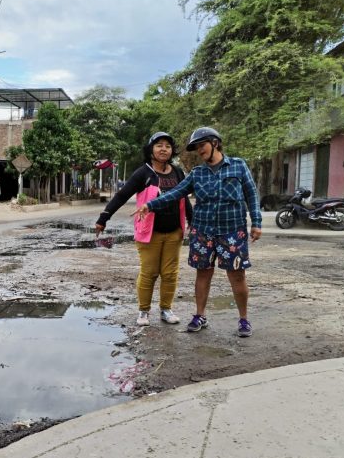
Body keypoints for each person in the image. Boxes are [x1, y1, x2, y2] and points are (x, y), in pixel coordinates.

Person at [136, 127, 262, 337]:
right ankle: (200, 315)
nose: (199, 151)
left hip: (232, 232)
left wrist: (256, 223)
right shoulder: (197, 173)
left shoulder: (239, 166)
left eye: (202, 145)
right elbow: (176, 193)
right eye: (196, 148)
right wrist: (150, 205)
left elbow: (252, 195)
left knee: (237, 277)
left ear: (215, 143)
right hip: (202, 232)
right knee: (202, 274)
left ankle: (243, 320)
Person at [95, 132, 193, 327]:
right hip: (149, 232)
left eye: (167, 146)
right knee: (149, 272)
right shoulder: (143, 173)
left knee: (170, 273)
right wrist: (104, 218)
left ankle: (166, 309)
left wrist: (193, 220)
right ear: (150, 150)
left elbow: (183, 198)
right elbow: (122, 196)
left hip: (174, 231)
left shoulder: (177, 172)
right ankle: (143, 311)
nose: (164, 149)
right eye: (159, 145)